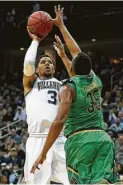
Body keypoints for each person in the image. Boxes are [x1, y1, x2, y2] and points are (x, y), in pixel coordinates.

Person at [31, 5, 120, 184]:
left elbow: (59, 121)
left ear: (72, 67)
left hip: (80, 142)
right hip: (103, 139)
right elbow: (78, 55)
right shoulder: (96, 81)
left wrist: (43, 153)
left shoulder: (67, 88)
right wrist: (62, 28)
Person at [23, 8, 70, 184]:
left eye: (50, 62)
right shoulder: (30, 84)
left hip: (59, 139)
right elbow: (28, 63)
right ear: (37, 69)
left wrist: (63, 54)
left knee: (69, 180)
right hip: (37, 139)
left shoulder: (63, 85)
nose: (48, 63)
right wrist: (35, 41)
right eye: (43, 62)